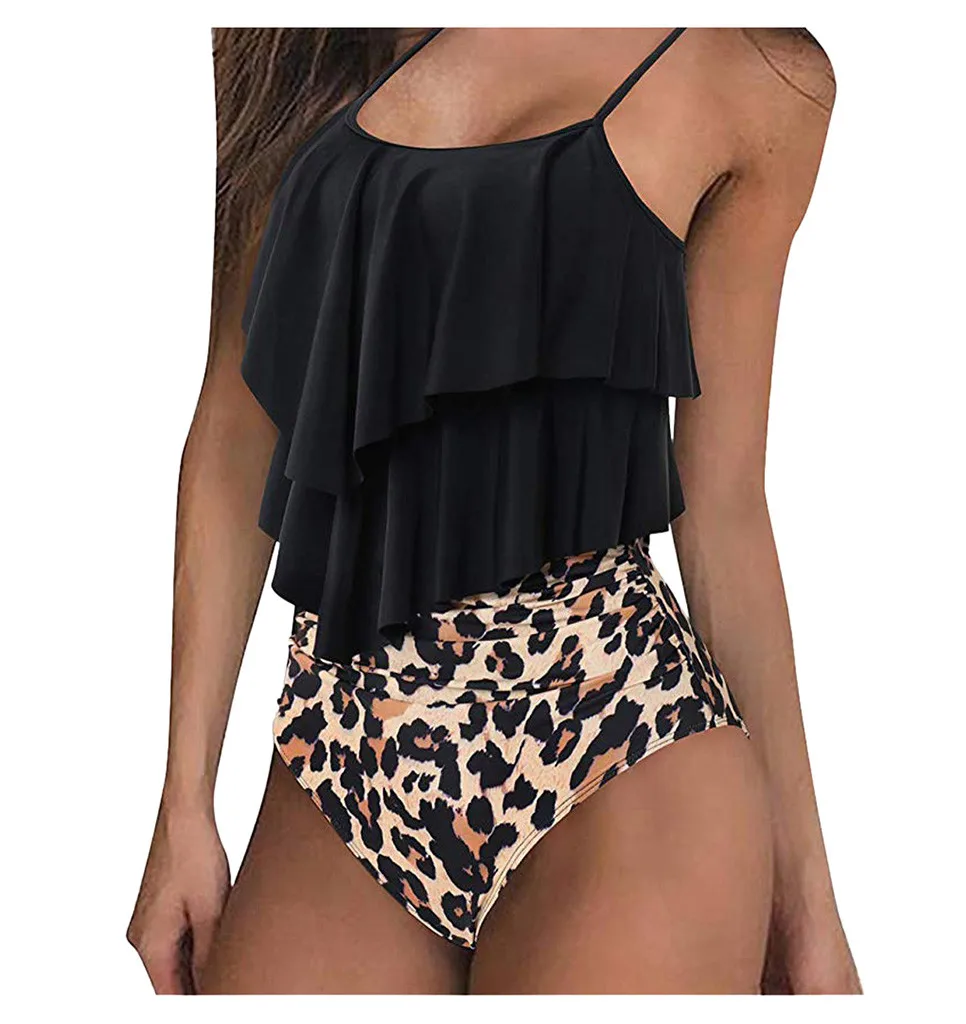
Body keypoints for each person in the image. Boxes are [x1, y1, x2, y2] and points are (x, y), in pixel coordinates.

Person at [127, 27, 859, 995]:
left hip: (617, 736)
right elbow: (234, 428)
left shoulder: (752, 76)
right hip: (342, 751)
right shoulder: (302, 40)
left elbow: (722, 505)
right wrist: (183, 803)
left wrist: (807, 906)